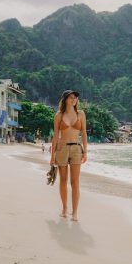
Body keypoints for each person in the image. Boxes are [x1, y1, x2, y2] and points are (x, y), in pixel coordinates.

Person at [50, 90, 87, 221]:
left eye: (75, 97)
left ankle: (75, 212)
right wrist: (52, 156)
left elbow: (83, 133)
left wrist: (86, 152)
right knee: (63, 180)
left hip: (77, 148)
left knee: (75, 182)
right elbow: (55, 136)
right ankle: (65, 209)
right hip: (62, 148)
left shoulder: (81, 114)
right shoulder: (59, 115)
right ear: (65, 99)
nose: (74, 99)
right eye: (71, 97)